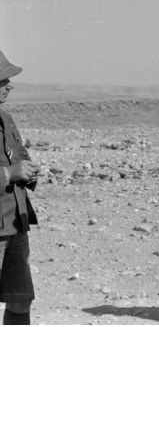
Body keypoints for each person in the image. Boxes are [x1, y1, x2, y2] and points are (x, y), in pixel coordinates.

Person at [0, 50, 40, 325]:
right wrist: (9, 174)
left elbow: (19, 154)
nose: (9, 85)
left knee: (20, 297)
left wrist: (29, 172)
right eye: (2, 81)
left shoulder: (5, 117)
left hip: (15, 222)